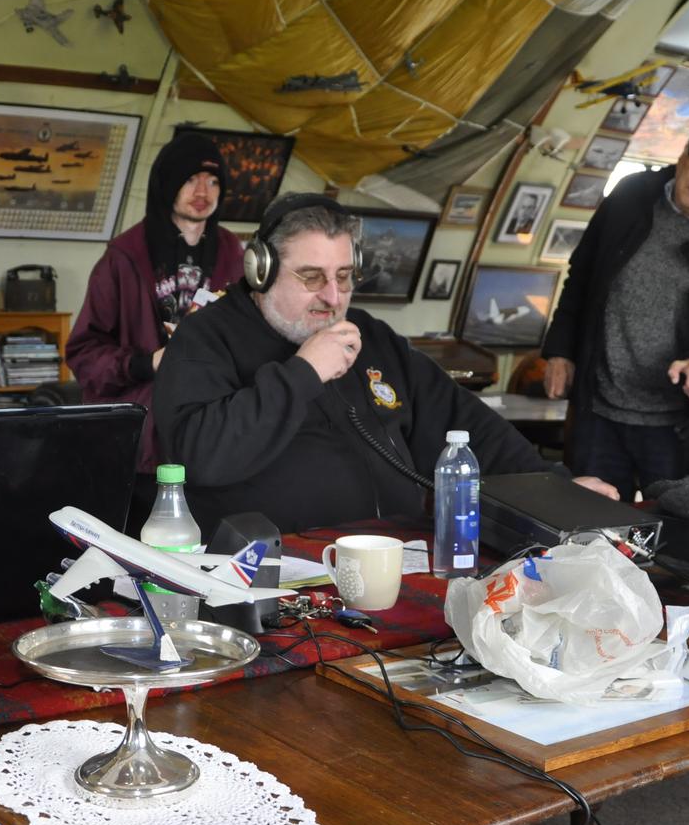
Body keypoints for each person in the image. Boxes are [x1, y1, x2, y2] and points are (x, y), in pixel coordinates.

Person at [152, 194, 616, 536]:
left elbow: (468, 426)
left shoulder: (372, 337)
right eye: (311, 278)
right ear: (261, 271)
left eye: (343, 278)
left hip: (395, 557)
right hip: (272, 573)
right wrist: (303, 373)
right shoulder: (205, 338)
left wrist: (560, 488)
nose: (332, 298)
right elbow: (202, 456)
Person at [540, 119, 689, 500]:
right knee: (589, 526)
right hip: (599, 407)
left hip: (680, 424)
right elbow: (581, 277)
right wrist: (560, 350)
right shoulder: (630, 197)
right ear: (682, 156)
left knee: (675, 534)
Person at [66, 131, 245, 482]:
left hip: (211, 433)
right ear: (167, 183)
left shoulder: (233, 253)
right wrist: (147, 363)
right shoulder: (125, 256)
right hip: (141, 439)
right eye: (190, 179)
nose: (203, 193)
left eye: (213, 181)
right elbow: (84, 354)